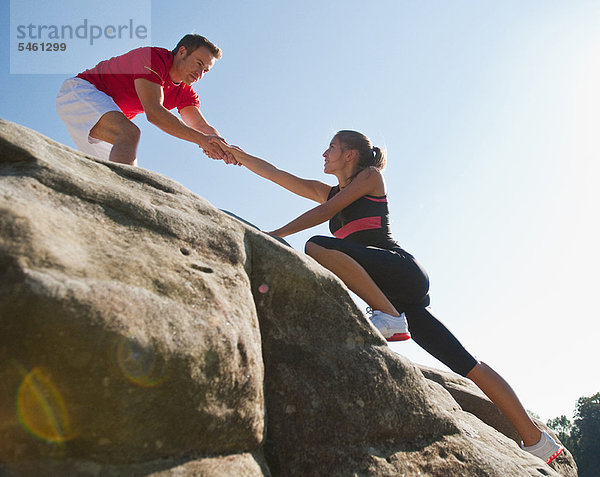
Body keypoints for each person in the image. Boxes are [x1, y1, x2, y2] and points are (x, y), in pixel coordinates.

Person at [215, 130, 564, 465]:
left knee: (316, 245)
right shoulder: (329, 194)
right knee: (466, 363)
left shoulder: (369, 178)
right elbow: (276, 174)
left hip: (402, 271)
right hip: (394, 292)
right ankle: (535, 439)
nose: (324, 154)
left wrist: (272, 235)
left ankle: (388, 317)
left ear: (349, 154)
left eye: (331, 147)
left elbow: (322, 216)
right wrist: (237, 154)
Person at [56, 34, 234, 166]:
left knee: (120, 168)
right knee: (129, 134)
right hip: (81, 91)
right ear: (182, 51)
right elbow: (154, 113)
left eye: (206, 71)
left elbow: (202, 127)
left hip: (104, 115)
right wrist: (202, 141)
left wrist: (226, 148)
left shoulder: (185, 93)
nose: (200, 74)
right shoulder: (153, 59)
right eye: (199, 64)